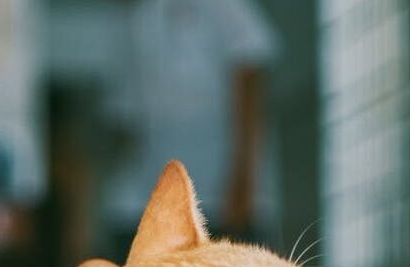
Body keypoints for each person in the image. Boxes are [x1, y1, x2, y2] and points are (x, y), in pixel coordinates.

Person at [102, 0, 280, 253]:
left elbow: (250, 75)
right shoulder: (135, 20)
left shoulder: (224, 7)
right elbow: (128, 121)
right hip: (156, 198)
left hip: (222, 193)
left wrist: (243, 182)